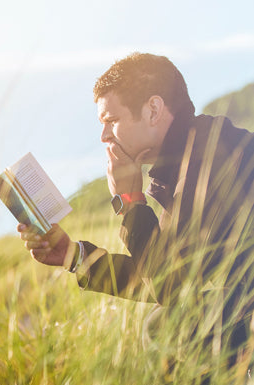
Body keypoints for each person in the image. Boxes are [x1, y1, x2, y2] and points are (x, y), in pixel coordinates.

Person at [17, 53, 254, 379]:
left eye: (110, 119)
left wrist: (130, 202)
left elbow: (170, 287)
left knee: (167, 324)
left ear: (153, 110)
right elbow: (161, 273)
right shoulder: (188, 159)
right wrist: (72, 255)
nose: (104, 136)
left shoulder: (212, 158)